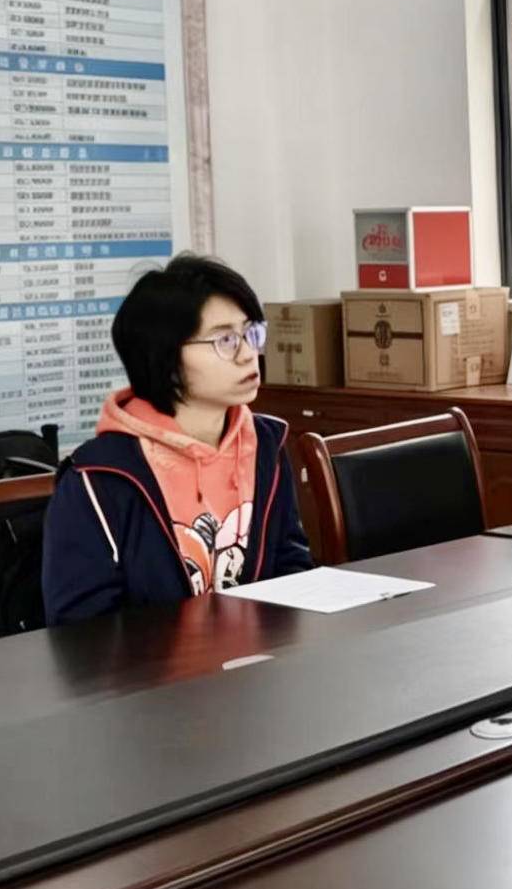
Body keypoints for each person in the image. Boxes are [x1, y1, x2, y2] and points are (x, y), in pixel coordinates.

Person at [43, 254, 314, 624]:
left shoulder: (265, 444)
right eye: (225, 340)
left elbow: (292, 568)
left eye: (251, 333)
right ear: (166, 358)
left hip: (261, 658)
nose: (249, 354)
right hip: (152, 663)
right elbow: (81, 629)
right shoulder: (97, 478)